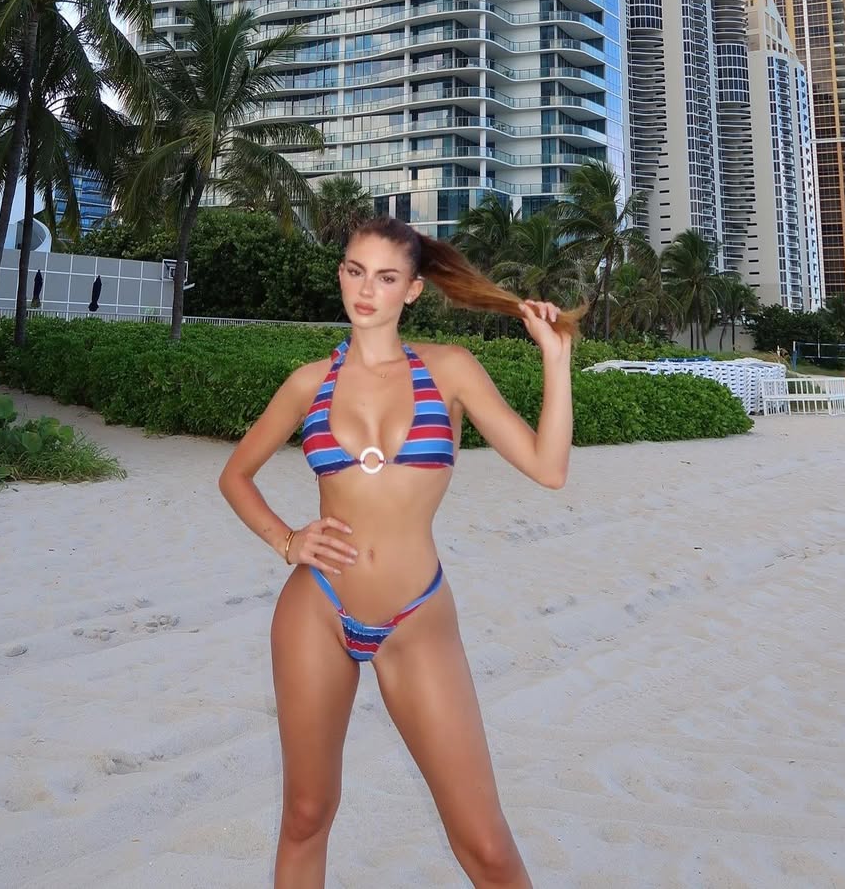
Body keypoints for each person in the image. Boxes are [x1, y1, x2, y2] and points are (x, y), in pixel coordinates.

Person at [218, 215, 581, 888]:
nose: (366, 290)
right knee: (305, 815)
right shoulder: (308, 382)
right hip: (318, 608)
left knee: (485, 844)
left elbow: (548, 466)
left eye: (386, 278)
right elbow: (235, 476)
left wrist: (555, 363)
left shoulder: (450, 369)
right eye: (355, 271)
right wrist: (288, 541)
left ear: (412, 290)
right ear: (340, 274)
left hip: (416, 615)